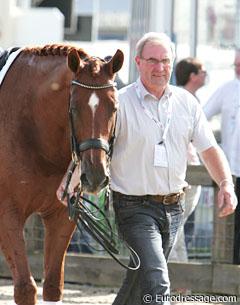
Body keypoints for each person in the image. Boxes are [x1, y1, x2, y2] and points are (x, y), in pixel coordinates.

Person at [57, 32, 237, 305]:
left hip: (174, 208)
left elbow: (210, 149)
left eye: (165, 60)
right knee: (157, 280)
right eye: (152, 60)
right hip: (133, 208)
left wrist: (225, 183)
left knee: (140, 280)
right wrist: (70, 184)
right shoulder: (118, 101)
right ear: (138, 63)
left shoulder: (187, 103)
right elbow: (94, 145)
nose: (160, 67)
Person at [203, 49, 240, 264]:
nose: (237, 68)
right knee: (231, 228)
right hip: (231, 171)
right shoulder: (226, 89)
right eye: (235, 64)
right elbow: (202, 115)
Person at [169, 57, 207, 262]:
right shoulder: (185, 100)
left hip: (184, 168)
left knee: (177, 225)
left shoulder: (181, 99)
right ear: (192, 76)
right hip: (185, 169)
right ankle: (179, 273)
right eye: (202, 71)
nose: (205, 75)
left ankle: (179, 275)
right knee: (176, 225)